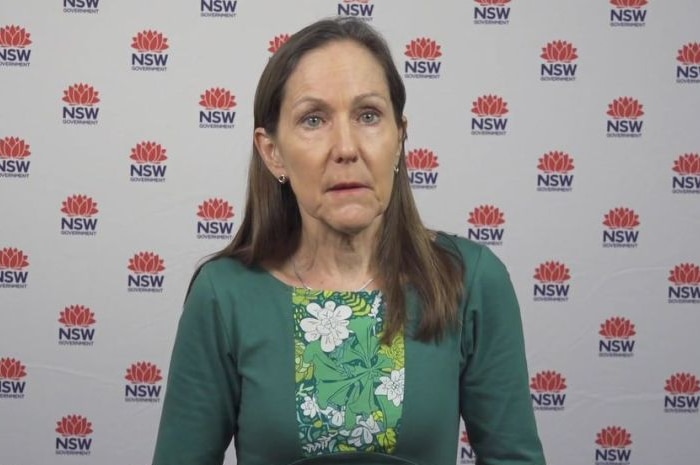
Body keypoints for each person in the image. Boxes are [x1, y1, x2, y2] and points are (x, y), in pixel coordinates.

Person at [152, 17, 545, 465]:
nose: (346, 147)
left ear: (399, 138)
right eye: (314, 119)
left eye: (368, 115)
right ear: (272, 151)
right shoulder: (225, 295)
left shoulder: (470, 280)